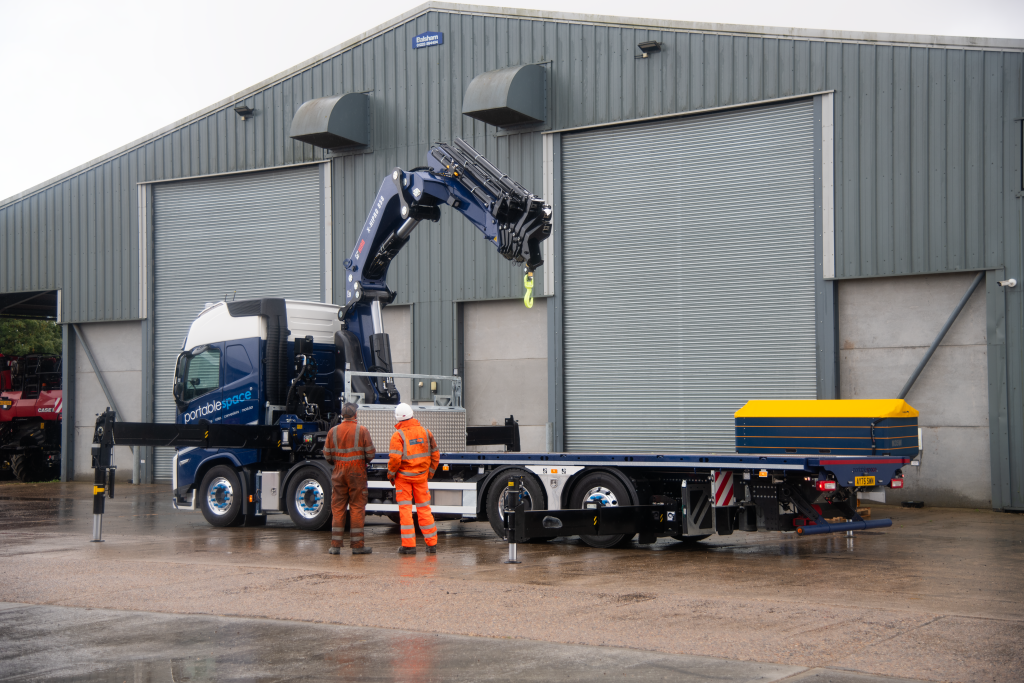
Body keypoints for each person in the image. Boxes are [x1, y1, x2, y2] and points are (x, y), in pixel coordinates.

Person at [388, 403, 440, 555]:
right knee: (424, 510)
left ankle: (409, 546)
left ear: (398, 418)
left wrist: (391, 475)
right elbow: (435, 454)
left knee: (405, 511)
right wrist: (429, 473)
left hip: (403, 479)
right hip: (421, 478)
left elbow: (395, 459)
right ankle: (432, 545)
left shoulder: (398, 435)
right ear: (412, 414)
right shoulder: (425, 432)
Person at [324, 402, 375, 555]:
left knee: (338, 508)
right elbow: (370, 454)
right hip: (357, 472)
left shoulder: (332, 431)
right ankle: (358, 546)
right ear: (355, 415)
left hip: (339, 472)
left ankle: (335, 546)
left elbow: (327, 455)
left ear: (342, 415)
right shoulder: (362, 430)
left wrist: (339, 461)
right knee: (357, 508)